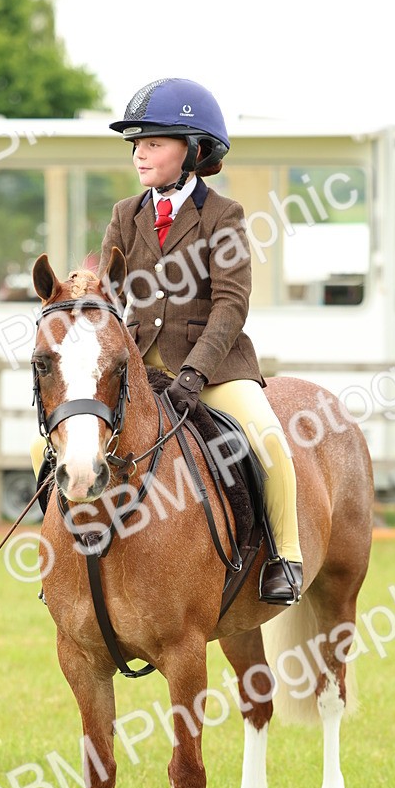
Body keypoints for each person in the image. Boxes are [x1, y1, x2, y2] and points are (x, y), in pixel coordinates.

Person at [99, 77, 303, 604]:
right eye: (136, 144)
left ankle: (285, 556)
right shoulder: (126, 215)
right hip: (141, 371)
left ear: (192, 150)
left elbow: (232, 304)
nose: (140, 153)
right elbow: (110, 298)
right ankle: (74, 555)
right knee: (48, 445)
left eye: (154, 142)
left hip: (210, 372)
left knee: (268, 439)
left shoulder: (224, 216)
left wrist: (195, 373)